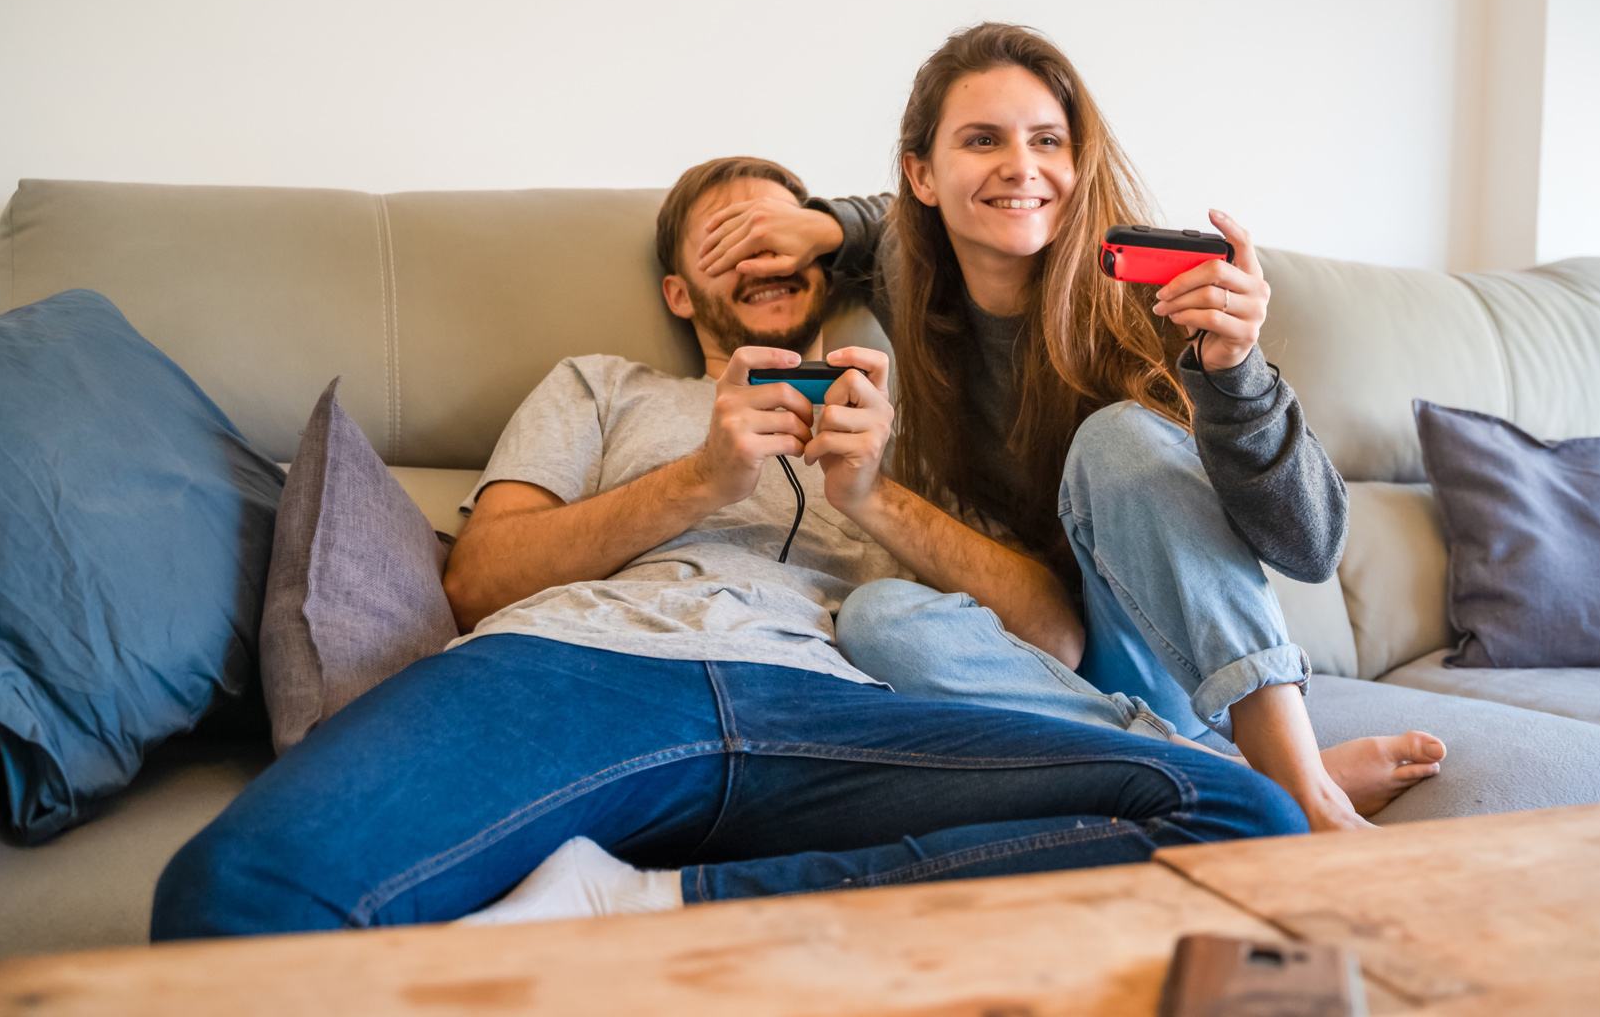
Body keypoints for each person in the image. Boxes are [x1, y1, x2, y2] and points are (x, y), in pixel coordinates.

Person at [149, 156, 1307, 938]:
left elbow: (1051, 636)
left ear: (822, 263)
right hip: (579, 676)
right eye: (723, 233)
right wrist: (700, 477)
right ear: (676, 285)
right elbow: (479, 579)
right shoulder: (601, 387)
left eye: (780, 229)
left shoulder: (906, 411)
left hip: (847, 708)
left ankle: (646, 906)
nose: (759, 247)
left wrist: (876, 497)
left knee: (1243, 818)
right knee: (236, 893)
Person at [690, 24, 1444, 833]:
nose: (1020, 165)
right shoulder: (912, 283)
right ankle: (1219, 777)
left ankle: (1304, 794)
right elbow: (883, 226)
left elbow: (1312, 547)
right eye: (982, 140)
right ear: (924, 174)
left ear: (1076, 164)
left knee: (1117, 436)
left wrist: (1237, 372)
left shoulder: (1156, 304)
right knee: (878, 618)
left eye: (1047, 139)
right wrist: (828, 226)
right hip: (1060, 674)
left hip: (1188, 660)